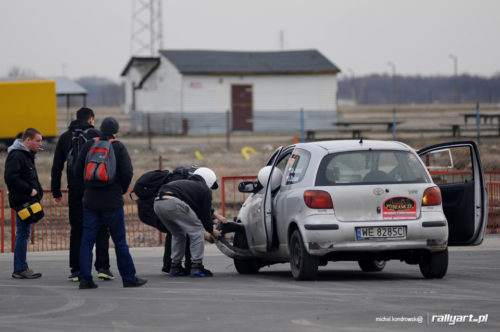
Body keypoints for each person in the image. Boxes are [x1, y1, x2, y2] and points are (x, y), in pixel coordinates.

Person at [73, 117, 147, 289]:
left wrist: (87, 188)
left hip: (90, 200)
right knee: (119, 240)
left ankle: (85, 278)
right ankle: (129, 278)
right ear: (115, 131)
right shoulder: (118, 146)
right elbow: (127, 172)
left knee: (87, 239)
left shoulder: (89, 144)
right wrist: (119, 190)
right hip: (112, 201)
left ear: (100, 129)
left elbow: (77, 170)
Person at [50, 107, 112, 282]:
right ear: (91, 119)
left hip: (75, 189)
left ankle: (76, 269)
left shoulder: (65, 137)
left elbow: (57, 167)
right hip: (96, 188)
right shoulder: (97, 135)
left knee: (77, 229)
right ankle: (103, 267)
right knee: (101, 227)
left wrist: (56, 191)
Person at [154, 167, 226, 277]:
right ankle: (197, 266)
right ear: (209, 180)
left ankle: (175, 266)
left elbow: (194, 211)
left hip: (158, 203)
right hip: (173, 203)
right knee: (196, 230)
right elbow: (204, 214)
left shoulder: (187, 185)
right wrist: (212, 231)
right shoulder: (204, 189)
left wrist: (212, 219)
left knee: (178, 233)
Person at [4, 128, 44, 279]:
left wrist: (37, 192)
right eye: (37, 141)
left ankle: (21, 267)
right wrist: (30, 190)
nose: (40, 144)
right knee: (23, 233)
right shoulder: (17, 156)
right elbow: (10, 178)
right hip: (22, 202)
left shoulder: (26, 155)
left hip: (27, 200)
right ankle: (20, 268)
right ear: (27, 140)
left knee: (24, 232)